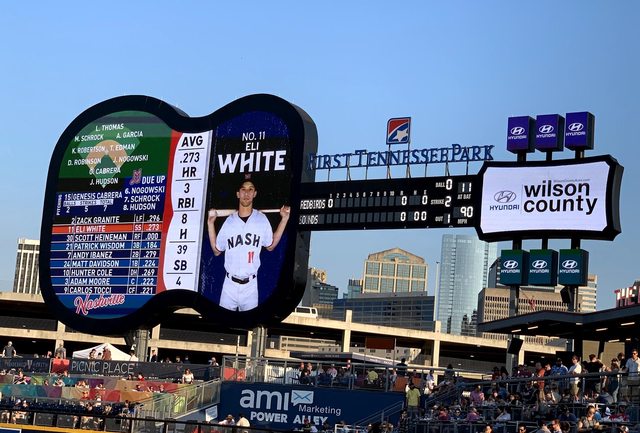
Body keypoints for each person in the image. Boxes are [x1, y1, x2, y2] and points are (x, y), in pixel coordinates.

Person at [207, 174, 291, 311]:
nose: (246, 193)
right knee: (224, 322)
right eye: (243, 189)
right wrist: (210, 223)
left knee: (250, 323)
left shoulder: (261, 219)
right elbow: (217, 251)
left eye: (250, 189)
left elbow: (270, 246)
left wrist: (284, 219)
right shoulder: (229, 222)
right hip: (229, 285)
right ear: (238, 194)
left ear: (254, 193)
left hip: (250, 286)